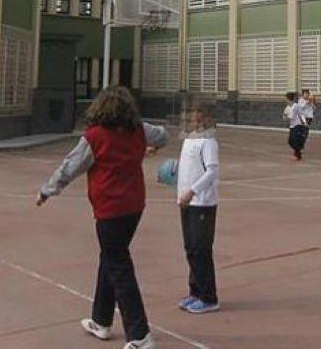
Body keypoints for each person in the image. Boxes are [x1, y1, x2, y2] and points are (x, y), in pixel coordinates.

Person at [37, 86, 167, 349]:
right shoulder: (139, 130)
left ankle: (140, 335)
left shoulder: (95, 137)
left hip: (111, 209)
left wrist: (47, 190)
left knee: (119, 266)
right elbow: (162, 135)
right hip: (134, 206)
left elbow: (70, 166)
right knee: (110, 259)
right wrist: (152, 146)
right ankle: (101, 320)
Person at [176, 101, 221, 314]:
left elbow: (211, 171)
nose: (193, 120)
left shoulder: (208, 141)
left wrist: (192, 191)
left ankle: (209, 297)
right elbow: (190, 166)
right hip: (186, 202)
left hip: (202, 203)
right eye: (190, 116)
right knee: (191, 249)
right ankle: (195, 291)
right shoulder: (189, 140)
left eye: (197, 116)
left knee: (201, 250)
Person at [285, 91, 309, 161]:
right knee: (290, 141)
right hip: (292, 126)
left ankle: (298, 154)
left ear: (288, 99)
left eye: (285, 98)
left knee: (294, 141)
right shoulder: (288, 107)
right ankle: (298, 150)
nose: (285, 100)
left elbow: (299, 114)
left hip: (297, 125)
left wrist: (304, 122)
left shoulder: (296, 106)